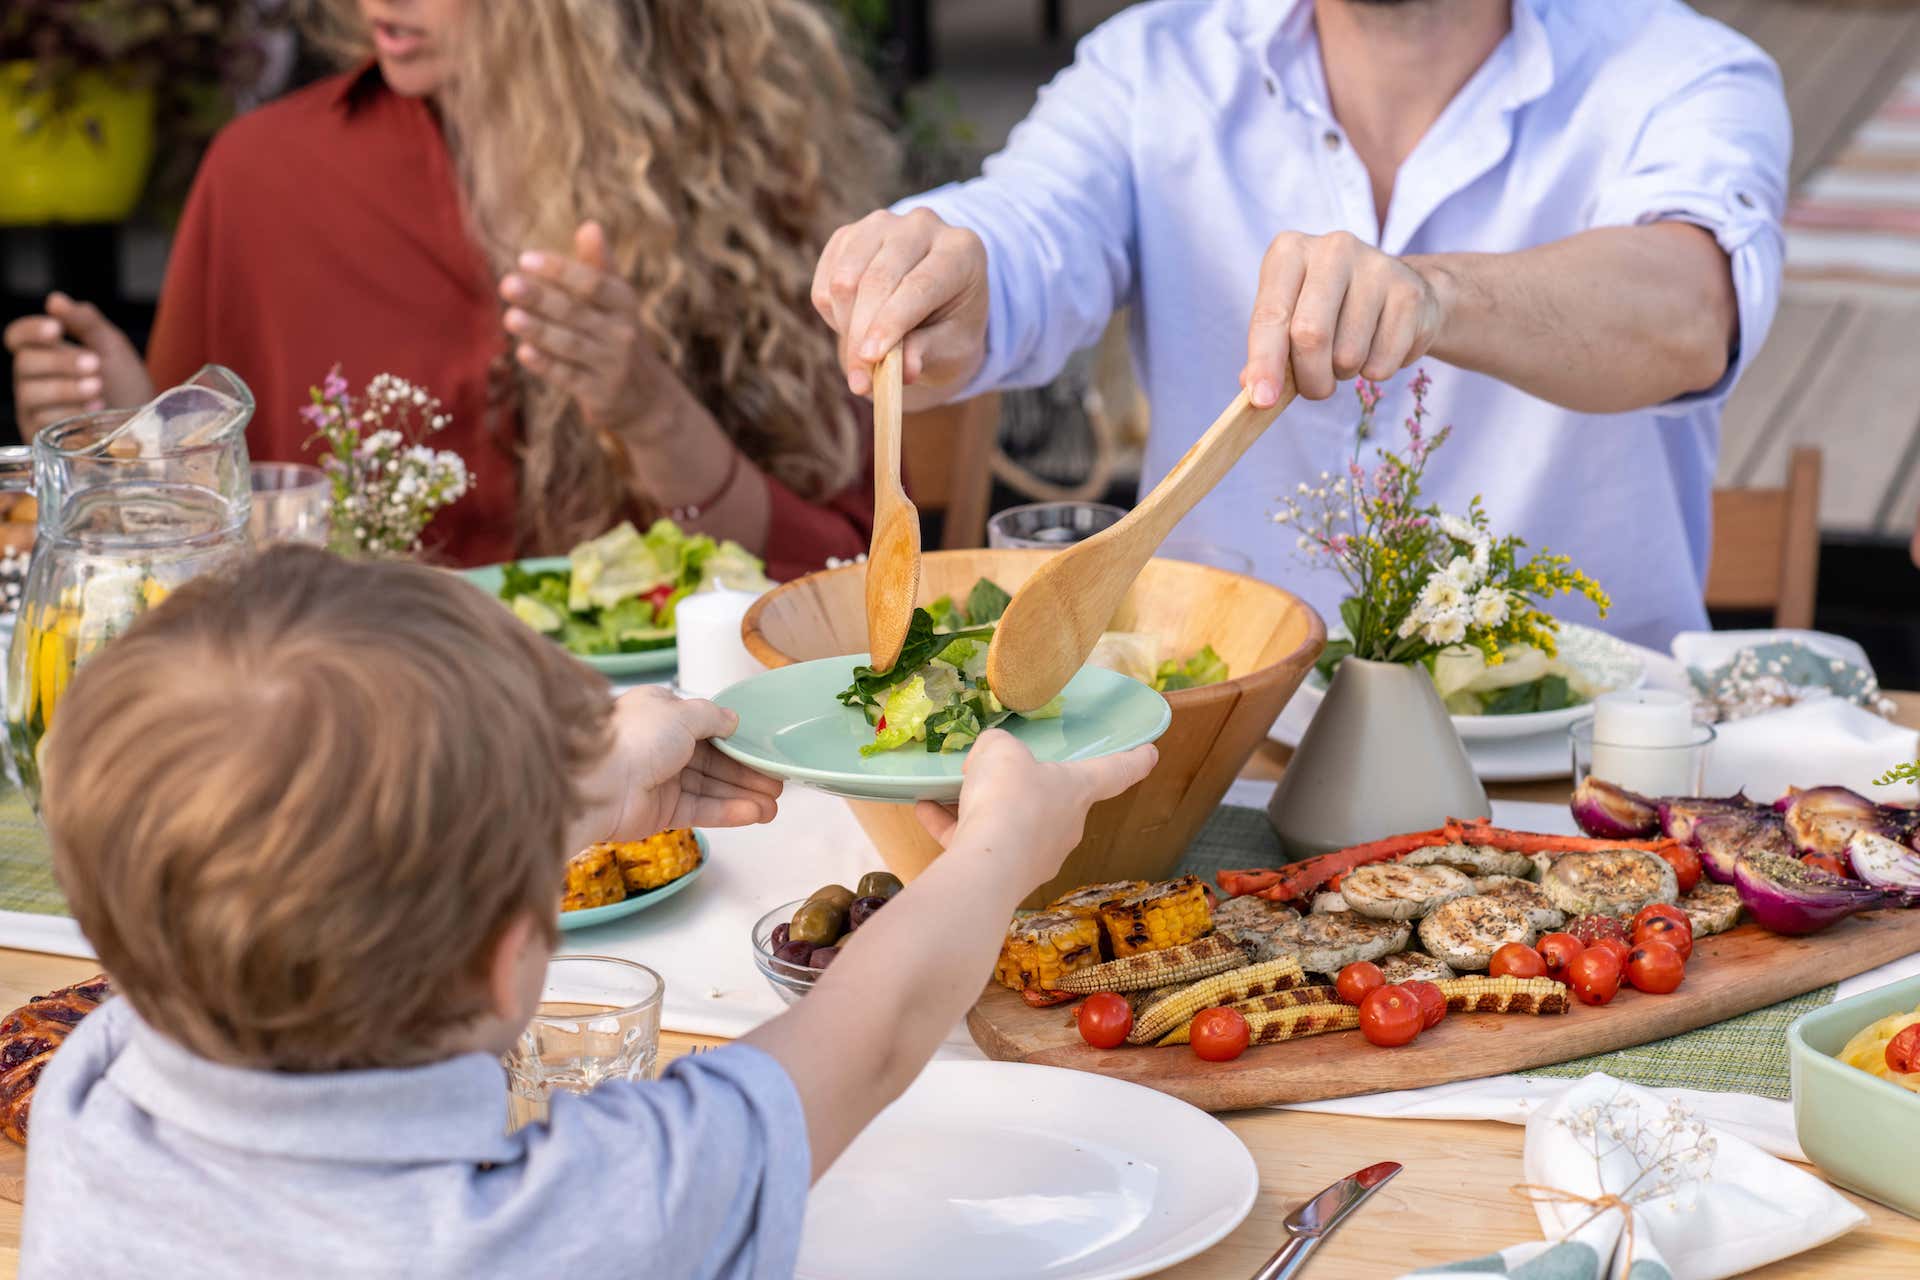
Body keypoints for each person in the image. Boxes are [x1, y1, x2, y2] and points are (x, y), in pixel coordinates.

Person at [20, 546, 1155, 1277]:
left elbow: (237, 862)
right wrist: (1001, 849)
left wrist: (553, 796)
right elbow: (871, 1034)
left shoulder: (93, 1092)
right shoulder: (559, 1226)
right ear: (512, 953)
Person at [812, 0, 1790, 649]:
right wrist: (951, 275)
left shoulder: (1683, 70)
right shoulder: (1156, 63)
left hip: (1582, 773)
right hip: (1218, 754)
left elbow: (1690, 312)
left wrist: (1435, 293)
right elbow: (1029, 228)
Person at [5, 1, 888, 577]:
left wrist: (652, 414)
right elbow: (216, 577)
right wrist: (134, 437)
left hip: (680, 751)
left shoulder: (731, 176)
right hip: (369, 751)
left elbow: (841, 579)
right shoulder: (266, 178)